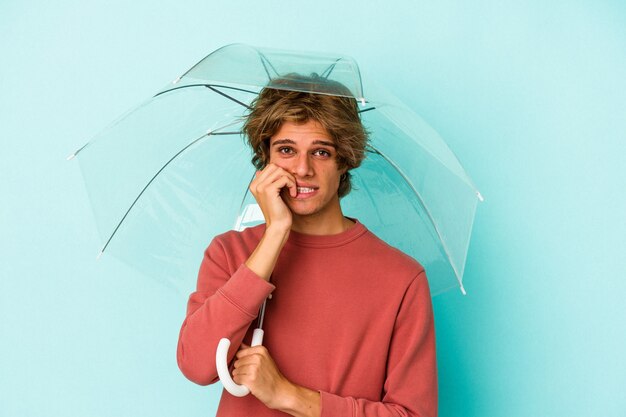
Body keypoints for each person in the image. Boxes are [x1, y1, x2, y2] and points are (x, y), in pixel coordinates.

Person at [177, 74, 438, 417]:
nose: (302, 169)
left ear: (344, 160)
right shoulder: (229, 253)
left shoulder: (401, 278)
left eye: (321, 152)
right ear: (265, 156)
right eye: (286, 150)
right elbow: (197, 365)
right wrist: (275, 234)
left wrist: (289, 396)